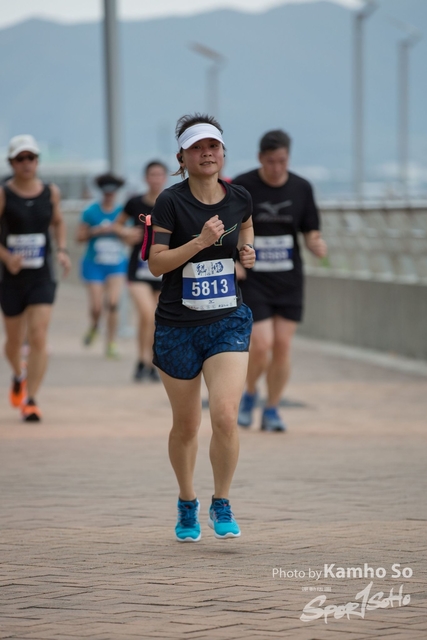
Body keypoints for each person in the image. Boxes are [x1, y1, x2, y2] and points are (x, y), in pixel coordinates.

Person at [148, 113, 255, 542]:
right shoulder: (170, 202)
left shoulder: (239, 196)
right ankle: (187, 500)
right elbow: (156, 264)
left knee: (225, 415)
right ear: (182, 157)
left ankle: (222, 501)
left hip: (226, 319)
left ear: (223, 152)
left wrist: (247, 250)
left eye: (213, 146)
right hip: (178, 326)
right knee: (187, 426)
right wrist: (199, 242)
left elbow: (246, 225)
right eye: (197, 148)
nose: (207, 153)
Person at [233, 129, 327, 432]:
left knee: (283, 346)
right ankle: (250, 394)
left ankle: (272, 409)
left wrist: (315, 243)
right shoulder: (243, 186)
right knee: (262, 345)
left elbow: (310, 230)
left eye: (282, 161)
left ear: (288, 158)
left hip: (289, 279)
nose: (277, 168)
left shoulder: (301, 187)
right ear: (260, 158)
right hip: (253, 278)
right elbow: (228, 229)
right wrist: (234, 260)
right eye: (271, 161)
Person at [0, 134, 71, 422]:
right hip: (11, 278)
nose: (26, 163)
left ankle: (31, 399)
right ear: (12, 163)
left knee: (39, 334)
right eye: (20, 159)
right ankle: (19, 373)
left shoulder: (50, 192)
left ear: (37, 161)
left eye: (31, 158)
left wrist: (62, 250)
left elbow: (58, 222)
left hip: (41, 275)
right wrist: (7, 257)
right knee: (13, 341)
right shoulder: (4, 193)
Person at [115, 161, 168, 381]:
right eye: (152, 175)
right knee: (147, 313)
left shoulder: (171, 202)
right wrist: (126, 234)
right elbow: (117, 225)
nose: (155, 179)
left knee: (157, 318)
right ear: (146, 178)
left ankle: (150, 362)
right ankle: (142, 359)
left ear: (165, 178)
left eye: (159, 175)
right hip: (138, 268)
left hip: (163, 269)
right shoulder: (135, 202)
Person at [76, 173, 128, 359]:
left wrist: (119, 231)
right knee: (97, 306)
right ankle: (95, 325)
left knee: (113, 303)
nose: (109, 196)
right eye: (106, 193)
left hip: (116, 264)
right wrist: (95, 231)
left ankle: (111, 342)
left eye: (112, 193)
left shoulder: (122, 212)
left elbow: (131, 237)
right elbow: (79, 237)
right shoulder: (90, 212)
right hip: (94, 264)